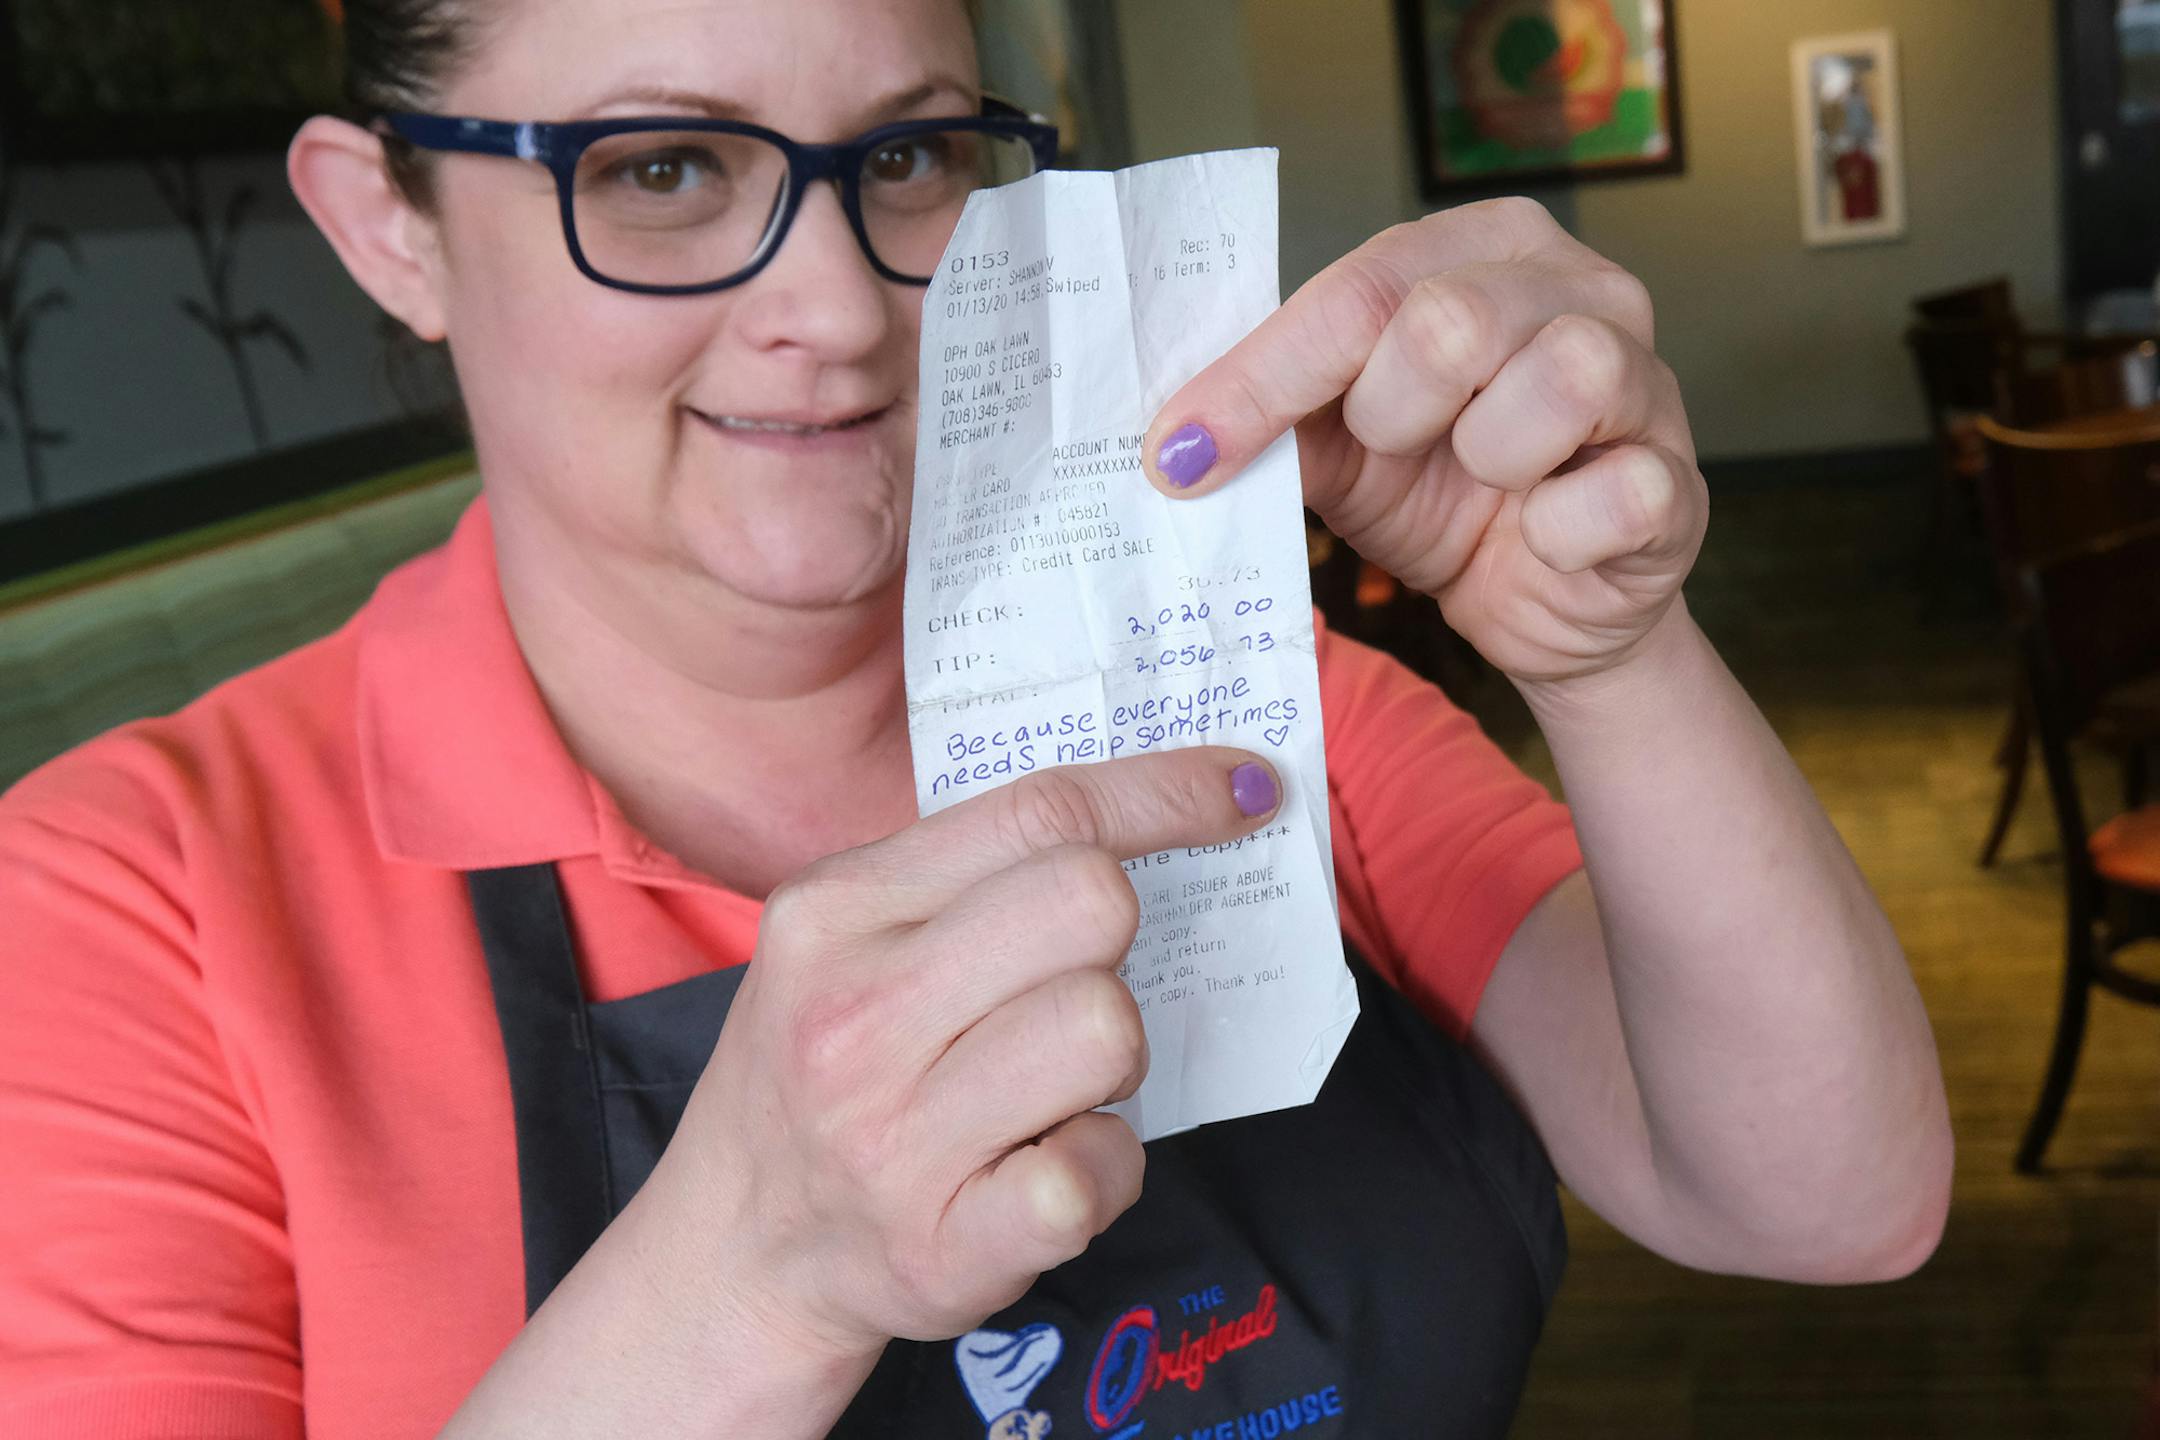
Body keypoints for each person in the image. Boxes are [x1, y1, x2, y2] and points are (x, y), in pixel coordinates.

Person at [0, 0, 1953, 1436]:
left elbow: (1829, 1201)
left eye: (908, 160)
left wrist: (1605, 656)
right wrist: (756, 1270)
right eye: (663, 169)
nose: (840, 305)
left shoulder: (1246, 714)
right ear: (389, 227)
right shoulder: (122, 913)